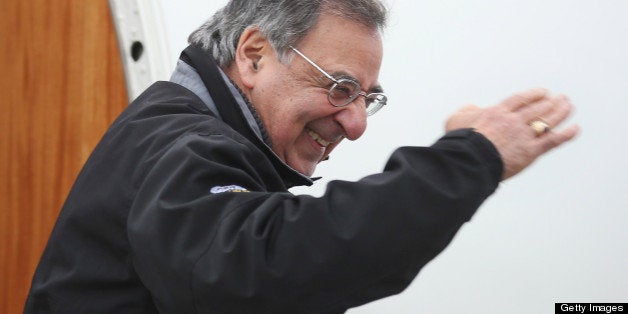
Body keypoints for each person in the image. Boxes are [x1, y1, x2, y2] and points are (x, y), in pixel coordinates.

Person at [24, 0, 579, 313]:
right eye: (340, 87)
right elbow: (265, 268)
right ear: (254, 55)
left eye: (369, 98)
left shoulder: (184, 135)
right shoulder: (181, 145)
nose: (357, 124)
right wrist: (471, 158)